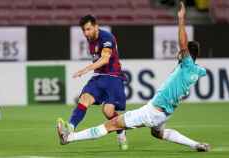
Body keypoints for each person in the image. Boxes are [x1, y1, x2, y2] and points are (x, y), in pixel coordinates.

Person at [57, 2, 210, 152]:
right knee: (158, 133)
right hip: (164, 114)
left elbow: (183, 44)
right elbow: (195, 62)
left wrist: (181, 19)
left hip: (151, 112)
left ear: (186, 55)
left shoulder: (186, 65)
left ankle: (69, 138)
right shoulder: (197, 71)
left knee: (110, 125)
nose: (179, 52)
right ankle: (195, 144)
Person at [60, 15, 128, 150]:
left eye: (89, 29)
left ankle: (121, 131)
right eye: (84, 30)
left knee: (108, 112)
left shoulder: (106, 37)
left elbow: (104, 60)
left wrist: (84, 70)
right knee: (84, 99)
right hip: (99, 76)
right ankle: (70, 127)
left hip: (113, 76)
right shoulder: (89, 38)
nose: (86, 33)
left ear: (96, 26)